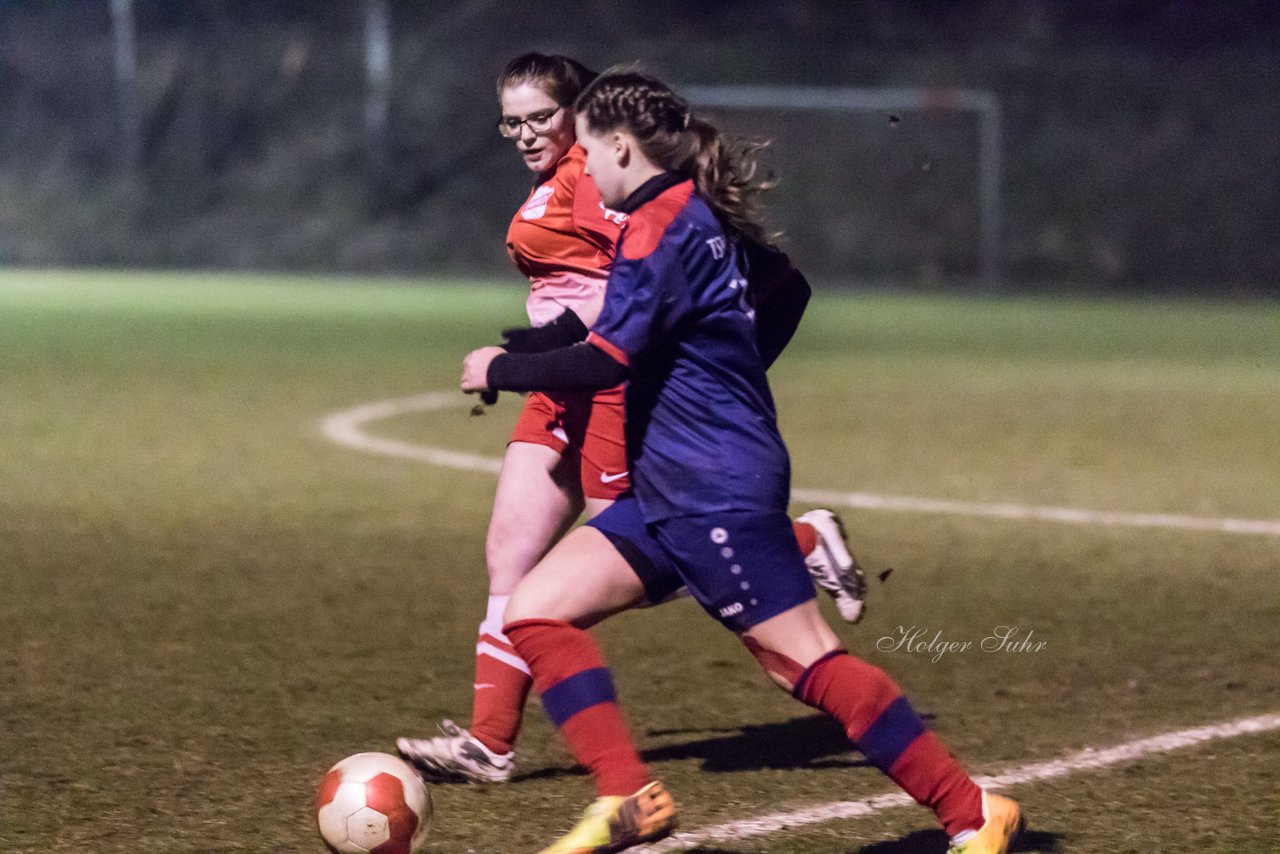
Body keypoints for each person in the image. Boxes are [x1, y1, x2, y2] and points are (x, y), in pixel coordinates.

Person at [458, 70, 1023, 854]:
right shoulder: (682, 213)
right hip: (669, 489)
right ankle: (628, 795)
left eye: (586, 149)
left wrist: (502, 368)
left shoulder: (656, 232)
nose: (580, 166)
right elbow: (770, 294)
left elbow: (606, 360)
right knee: (535, 611)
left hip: (715, 488)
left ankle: (972, 813)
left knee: (806, 667)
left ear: (620, 147)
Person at [396, 53, 867, 786]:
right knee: (509, 553)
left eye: (539, 117)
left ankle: (798, 540)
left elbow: (754, 284)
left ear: (580, 114)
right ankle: (489, 743)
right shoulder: (557, 183)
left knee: (653, 552)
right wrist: (528, 354)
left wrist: (717, 373)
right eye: (510, 120)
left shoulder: (600, 182)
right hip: (563, 392)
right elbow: (580, 301)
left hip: (612, 393)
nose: (523, 133)